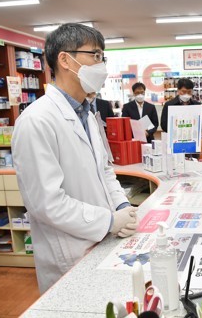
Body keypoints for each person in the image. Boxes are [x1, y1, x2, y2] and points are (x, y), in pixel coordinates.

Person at [11, 23, 138, 294]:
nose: (100, 65)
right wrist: (107, 221)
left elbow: (104, 171)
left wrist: (121, 207)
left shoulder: (88, 116)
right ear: (65, 60)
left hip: (102, 240)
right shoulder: (36, 121)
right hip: (68, 254)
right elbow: (45, 202)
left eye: (102, 57)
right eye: (94, 55)